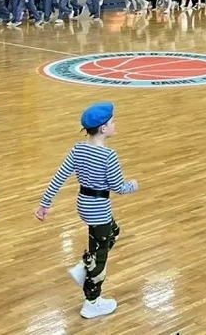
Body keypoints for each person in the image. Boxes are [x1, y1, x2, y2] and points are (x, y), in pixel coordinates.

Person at [36, 102, 138, 320]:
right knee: (100, 257)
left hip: (83, 205)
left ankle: (84, 267)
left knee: (114, 232)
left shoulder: (78, 149)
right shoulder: (109, 156)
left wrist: (45, 203)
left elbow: (59, 177)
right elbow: (119, 187)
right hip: (99, 210)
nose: (115, 124)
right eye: (112, 122)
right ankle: (92, 302)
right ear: (103, 128)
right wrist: (132, 185)